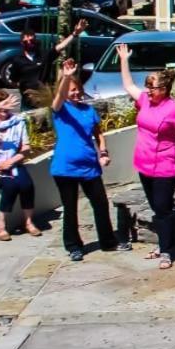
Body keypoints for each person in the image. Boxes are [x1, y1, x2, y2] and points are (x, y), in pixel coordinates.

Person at [115, 45, 175, 269]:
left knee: (162, 207)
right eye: (147, 86)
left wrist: (172, 147)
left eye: (153, 87)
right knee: (156, 206)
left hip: (165, 166)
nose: (148, 90)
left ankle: (166, 251)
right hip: (144, 163)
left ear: (165, 88)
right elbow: (128, 85)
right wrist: (124, 60)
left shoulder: (174, 109)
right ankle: (163, 243)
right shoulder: (144, 101)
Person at [51, 59, 121, 260]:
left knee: (100, 203)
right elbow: (58, 98)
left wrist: (104, 153)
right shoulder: (60, 110)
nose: (74, 93)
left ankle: (108, 242)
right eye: (70, 90)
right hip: (65, 168)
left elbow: (98, 134)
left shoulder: (89, 110)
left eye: (77, 90)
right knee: (70, 208)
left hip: (89, 166)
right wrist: (66, 76)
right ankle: (73, 246)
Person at [0, 90, 40, 242]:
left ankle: (29, 222)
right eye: (0, 108)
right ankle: (0, 225)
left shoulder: (18, 121)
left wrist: (11, 161)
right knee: (10, 185)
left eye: (6, 107)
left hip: (13, 162)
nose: (4, 111)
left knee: (26, 184)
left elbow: (26, 147)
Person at [6, 20, 84, 107]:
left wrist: (75, 33)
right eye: (25, 42)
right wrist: (24, 87)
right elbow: (13, 80)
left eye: (31, 40)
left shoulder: (44, 54)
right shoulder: (18, 60)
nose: (29, 43)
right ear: (21, 43)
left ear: (35, 39)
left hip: (45, 98)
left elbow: (61, 46)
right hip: (28, 101)